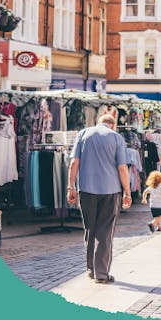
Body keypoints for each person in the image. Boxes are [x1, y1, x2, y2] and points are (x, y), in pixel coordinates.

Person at [67, 113, 131, 284]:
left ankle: (90, 269)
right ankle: (101, 273)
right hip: (111, 190)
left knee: (90, 229)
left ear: (98, 123)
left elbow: (74, 163)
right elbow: (122, 168)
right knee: (105, 232)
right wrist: (128, 192)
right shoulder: (116, 138)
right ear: (113, 125)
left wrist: (71, 186)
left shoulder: (83, 134)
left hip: (86, 190)